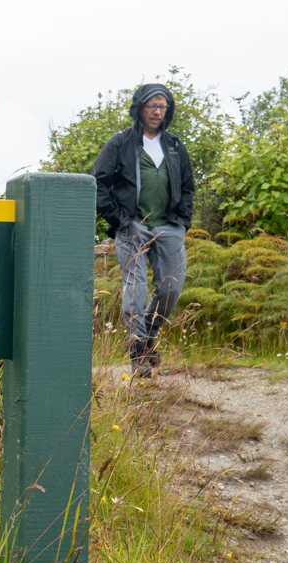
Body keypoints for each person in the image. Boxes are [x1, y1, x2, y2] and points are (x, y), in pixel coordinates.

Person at [91, 83, 195, 377]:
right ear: (139, 108)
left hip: (169, 226)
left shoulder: (175, 146)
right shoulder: (120, 142)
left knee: (171, 288)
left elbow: (188, 187)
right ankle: (138, 354)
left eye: (163, 106)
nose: (158, 112)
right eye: (152, 106)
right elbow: (97, 182)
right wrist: (118, 219)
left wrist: (183, 220)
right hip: (132, 227)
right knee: (135, 292)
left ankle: (148, 335)